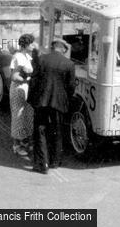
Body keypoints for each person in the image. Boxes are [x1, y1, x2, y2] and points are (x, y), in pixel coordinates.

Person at [29, 38, 76, 173]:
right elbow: (71, 86)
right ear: (62, 49)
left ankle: (41, 164)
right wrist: (65, 98)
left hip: (41, 101)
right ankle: (55, 161)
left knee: (40, 131)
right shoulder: (69, 64)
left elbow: (34, 80)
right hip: (59, 102)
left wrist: (31, 99)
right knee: (57, 131)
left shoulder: (41, 59)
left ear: (53, 47)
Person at [10, 34, 36, 156]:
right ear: (25, 45)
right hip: (19, 88)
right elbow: (14, 76)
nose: (34, 45)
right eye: (32, 43)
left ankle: (25, 142)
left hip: (26, 89)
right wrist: (28, 80)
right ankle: (17, 145)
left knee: (27, 115)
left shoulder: (27, 56)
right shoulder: (18, 57)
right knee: (18, 116)